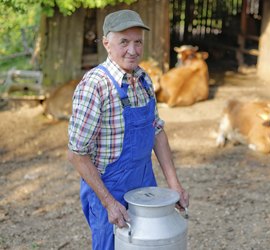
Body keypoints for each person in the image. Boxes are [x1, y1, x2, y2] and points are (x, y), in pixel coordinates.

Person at [67, 9, 189, 250]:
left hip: (144, 182)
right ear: (106, 43)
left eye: (138, 42)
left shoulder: (143, 80)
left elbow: (157, 132)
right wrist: (109, 202)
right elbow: (76, 154)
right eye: (124, 42)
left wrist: (174, 185)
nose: (132, 51)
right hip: (109, 189)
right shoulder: (95, 86)